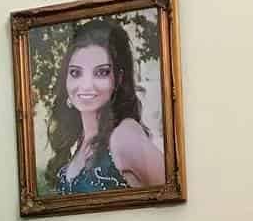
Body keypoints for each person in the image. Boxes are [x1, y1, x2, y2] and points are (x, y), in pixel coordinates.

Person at [44, 18, 165, 195]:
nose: (86, 86)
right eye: (76, 73)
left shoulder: (124, 136)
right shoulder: (80, 141)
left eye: (101, 72)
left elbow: (172, 194)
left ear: (119, 78)